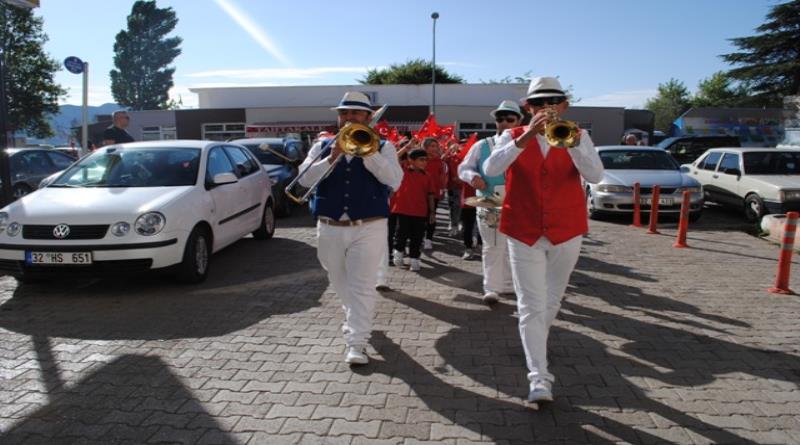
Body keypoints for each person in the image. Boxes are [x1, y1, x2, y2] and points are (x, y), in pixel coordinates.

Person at [483, 77, 604, 403]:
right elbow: (491, 167)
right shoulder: (511, 136)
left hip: (567, 229)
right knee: (531, 305)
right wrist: (527, 137)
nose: (546, 108)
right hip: (523, 231)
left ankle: (536, 340)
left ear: (564, 105)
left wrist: (576, 144)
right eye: (538, 103)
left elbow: (595, 176)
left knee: (551, 301)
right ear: (528, 108)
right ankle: (539, 376)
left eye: (552, 101)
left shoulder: (581, 136)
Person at [297, 91, 404, 365]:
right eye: (344, 113)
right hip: (330, 224)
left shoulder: (384, 146)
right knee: (337, 278)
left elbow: (394, 180)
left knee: (362, 286)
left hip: (369, 225)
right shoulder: (322, 144)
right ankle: (357, 316)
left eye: (355, 113)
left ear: (368, 118)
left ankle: (357, 342)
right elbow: (305, 180)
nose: (348, 118)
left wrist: (368, 154)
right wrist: (331, 156)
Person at [458, 100, 521, 305]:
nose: (504, 122)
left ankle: (510, 284)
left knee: (517, 246)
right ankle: (492, 287)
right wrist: (472, 176)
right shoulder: (482, 145)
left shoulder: (528, 144)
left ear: (519, 120)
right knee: (492, 245)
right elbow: (464, 167)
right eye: (500, 119)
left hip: (519, 200)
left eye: (509, 119)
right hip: (488, 198)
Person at [391, 148, 436, 271]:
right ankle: (398, 253)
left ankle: (414, 258)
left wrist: (432, 212)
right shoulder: (402, 171)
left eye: (426, 160)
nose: (424, 162)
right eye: (421, 160)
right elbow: (392, 159)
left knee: (417, 237)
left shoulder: (427, 176)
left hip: (420, 211)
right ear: (411, 160)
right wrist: (407, 146)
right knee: (401, 234)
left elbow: (431, 194)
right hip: (402, 210)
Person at [422, 137, 447, 250]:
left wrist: (442, 189)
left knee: (432, 216)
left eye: (436, 146)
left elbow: (441, 177)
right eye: (432, 146)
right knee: (421, 217)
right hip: (420, 192)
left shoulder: (439, 161)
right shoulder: (421, 159)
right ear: (425, 147)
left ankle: (428, 239)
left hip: (434, 193)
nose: (434, 148)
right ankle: (420, 236)